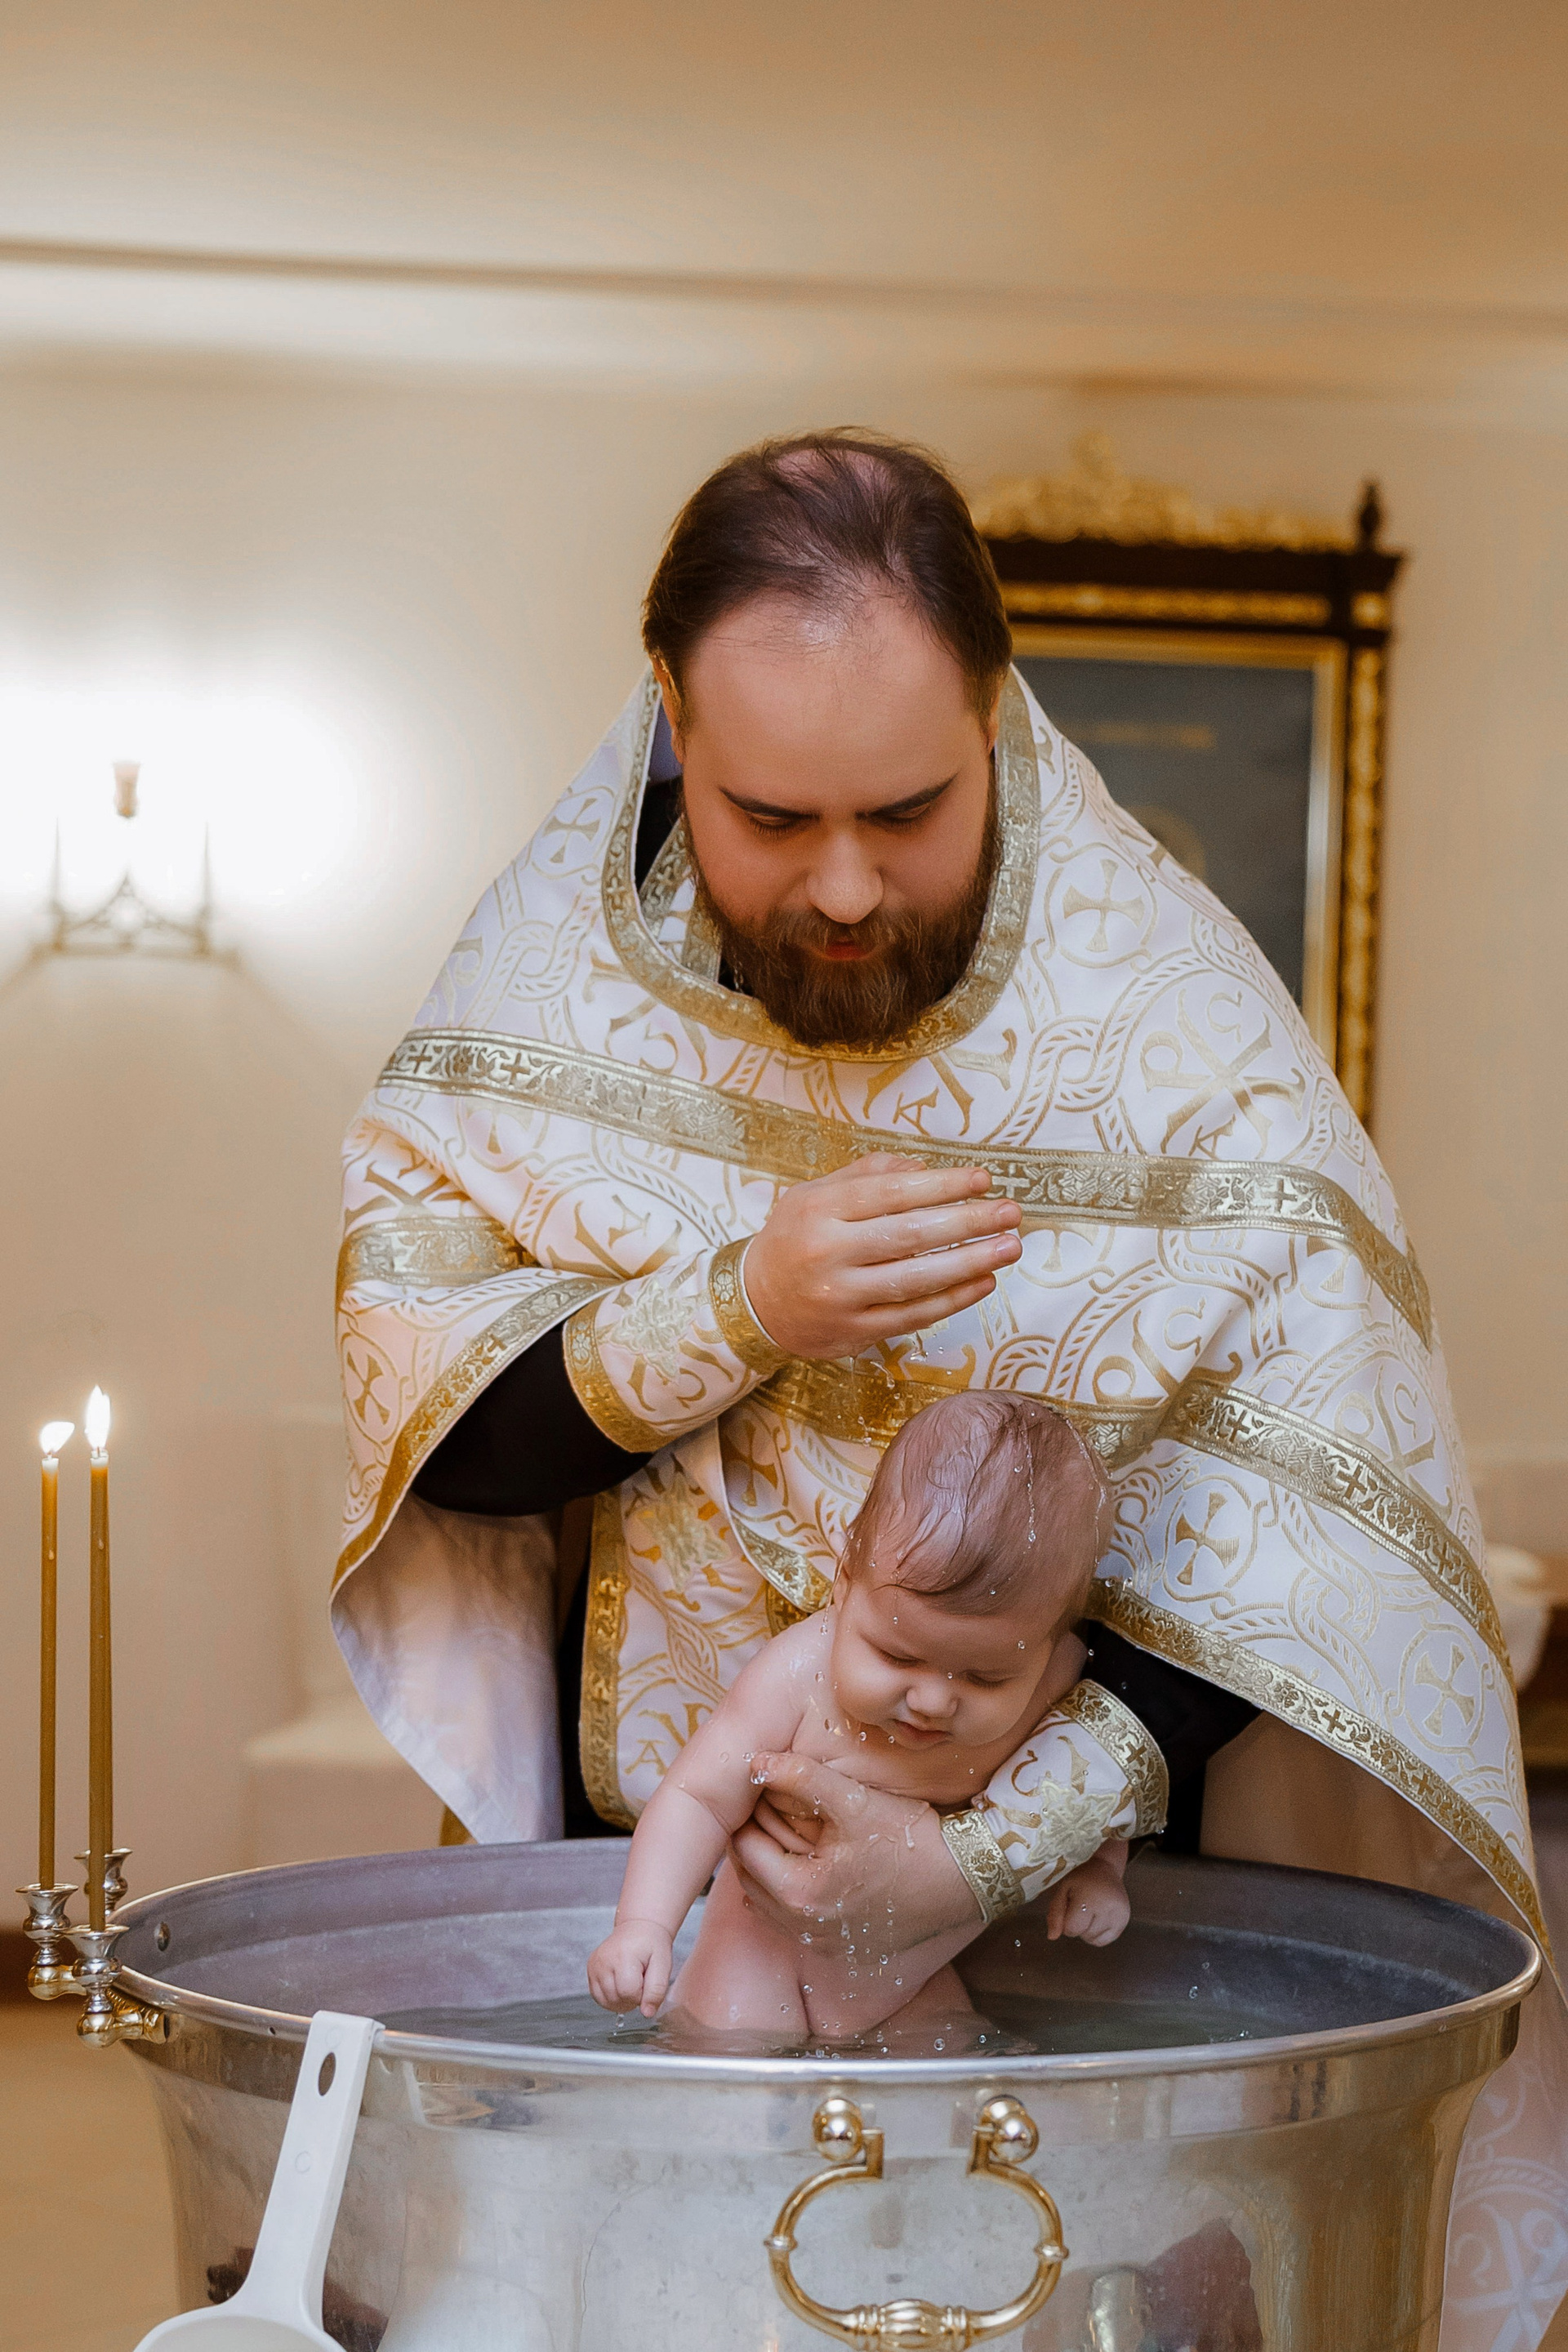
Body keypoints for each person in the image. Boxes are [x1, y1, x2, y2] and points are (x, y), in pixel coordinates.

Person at [333, 430, 1564, 2350]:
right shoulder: (535, 1001)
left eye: (907, 810)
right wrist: (738, 1304)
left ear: (993, 712)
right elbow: (443, 1442)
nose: (844, 887)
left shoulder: (1187, 1047)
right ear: (669, 716)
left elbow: (1297, 1559)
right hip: (664, 1893)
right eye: (770, 816)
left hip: (1085, 1950)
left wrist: (980, 1852)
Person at [587, 1393, 1133, 2036]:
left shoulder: (1052, 1679)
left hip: (910, 1972)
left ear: (1051, 1643)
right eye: (896, 1655)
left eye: (984, 1677)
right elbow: (699, 1798)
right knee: (728, 2063)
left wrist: (1101, 1869)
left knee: (952, 2063)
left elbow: (1092, 1775)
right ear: (845, 1581)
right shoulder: (799, 1676)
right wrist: (643, 1925)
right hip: (760, 1953)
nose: (932, 1701)